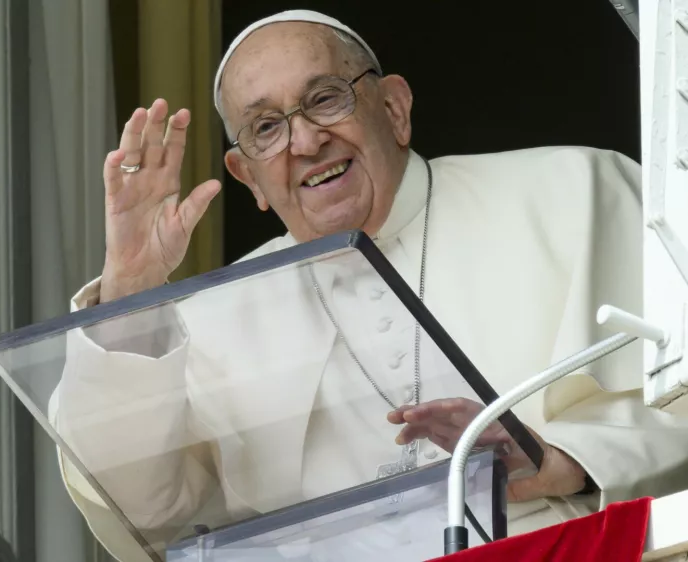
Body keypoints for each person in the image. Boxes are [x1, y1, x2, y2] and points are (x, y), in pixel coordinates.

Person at [48, 9, 688, 561]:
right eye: (266, 127)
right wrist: (130, 288)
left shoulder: (577, 191)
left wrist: (556, 456)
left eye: (325, 98)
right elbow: (144, 511)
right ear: (248, 178)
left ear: (394, 109)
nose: (304, 140)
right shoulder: (213, 315)